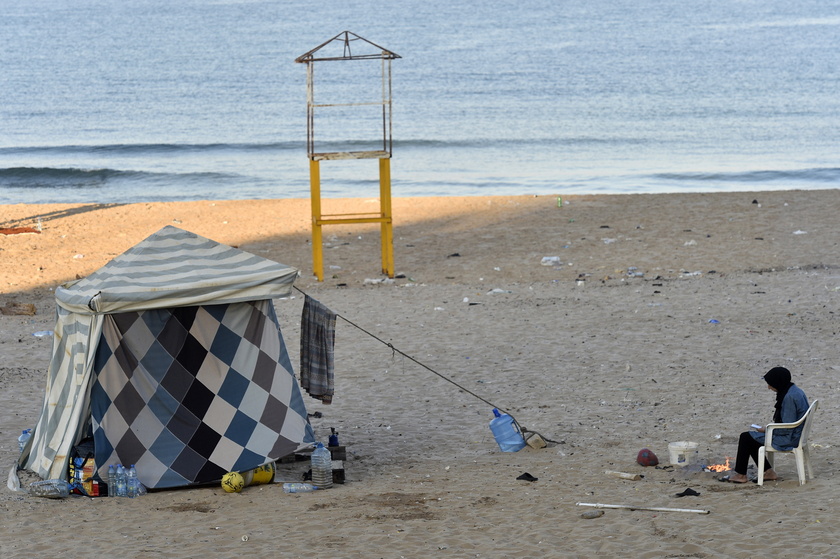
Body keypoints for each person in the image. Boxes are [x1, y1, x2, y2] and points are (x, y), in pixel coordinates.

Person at [722, 366, 809, 483]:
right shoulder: (795, 390)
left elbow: (787, 428)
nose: (769, 387)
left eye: (770, 384)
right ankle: (768, 472)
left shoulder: (789, 397)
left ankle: (741, 475)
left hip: (790, 439)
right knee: (752, 438)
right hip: (797, 434)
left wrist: (767, 430)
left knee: (746, 437)